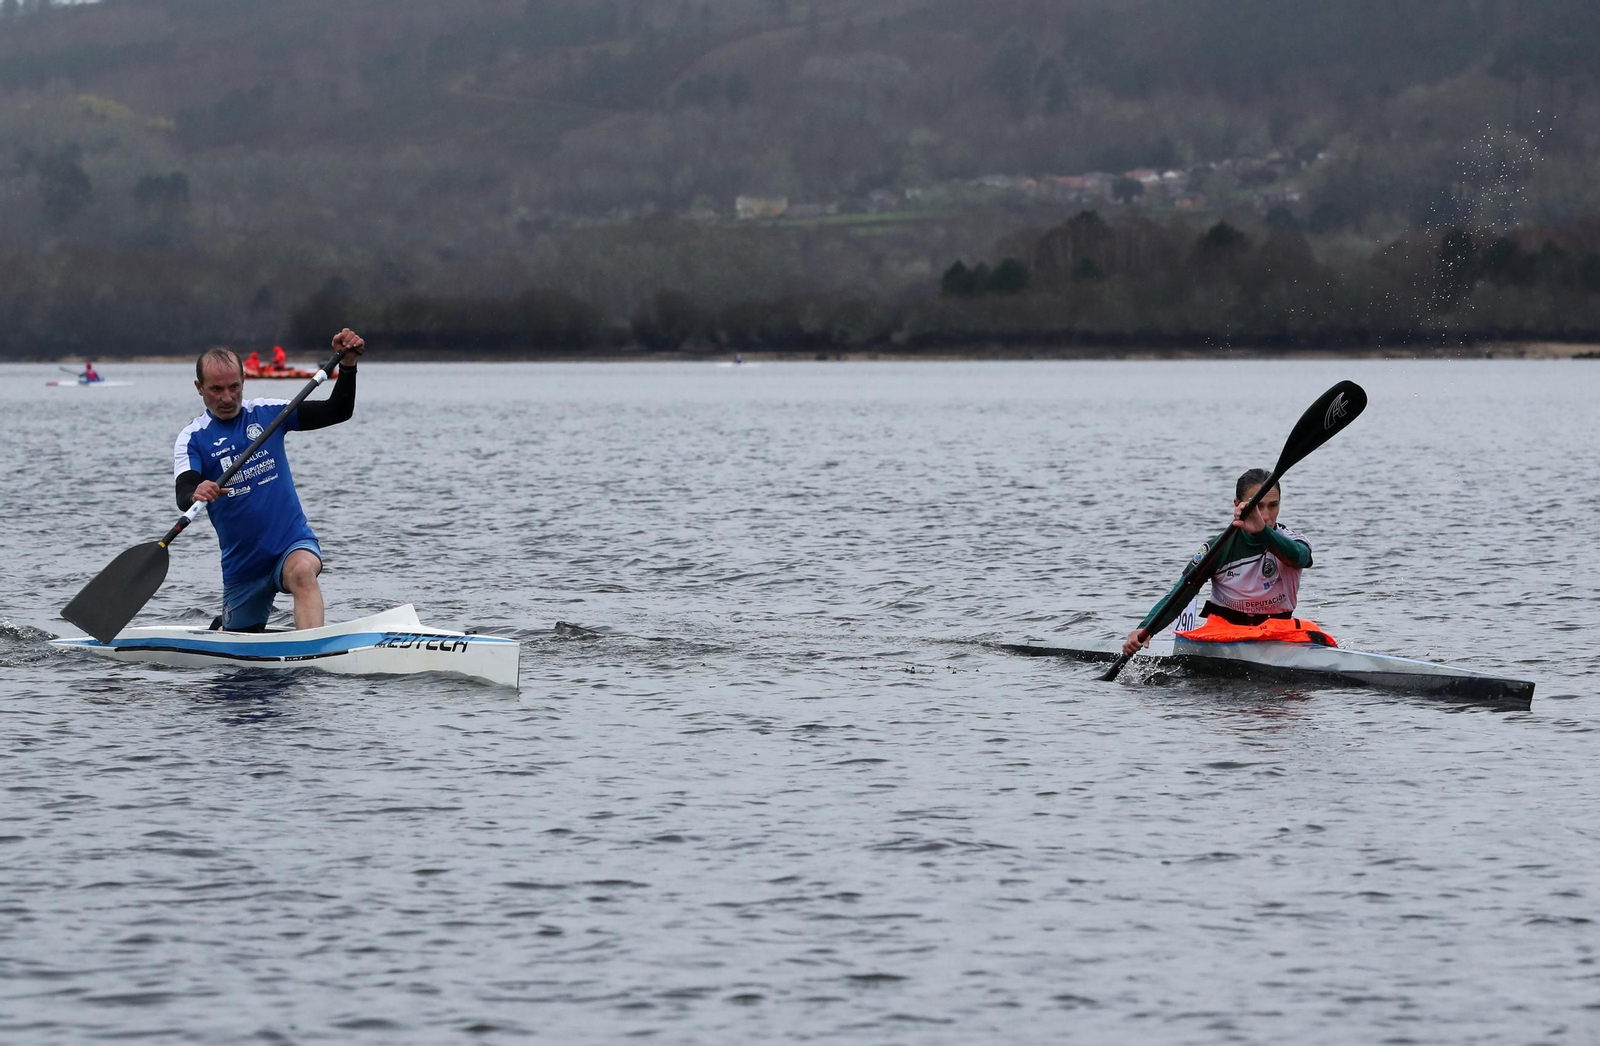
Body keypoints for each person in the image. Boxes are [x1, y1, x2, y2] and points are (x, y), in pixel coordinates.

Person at [174, 329, 365, 632]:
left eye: (234, 387)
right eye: (216, 389)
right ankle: (224, 627)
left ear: (244, 379)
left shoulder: (270, 413)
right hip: (243, 567)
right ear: (199, 388)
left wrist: (349, 366)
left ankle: (312, 653)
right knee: (238, 648)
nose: (227, 397)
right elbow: (184, 491)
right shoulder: (193, 438)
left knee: (302, 572)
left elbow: (338, 411)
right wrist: (196, 492)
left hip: (292, 544)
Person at [1121, 468, 1314, 656]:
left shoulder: (1293, 542)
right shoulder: (1217, 548)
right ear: (1238, 504)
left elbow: (1298, 558)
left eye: (1273, 506)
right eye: (1257, 506)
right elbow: (1179, 596)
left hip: (1278, 633)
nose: (1265, 516)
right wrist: (1145, 629)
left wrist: (1262, 532)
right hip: (1226, 635)